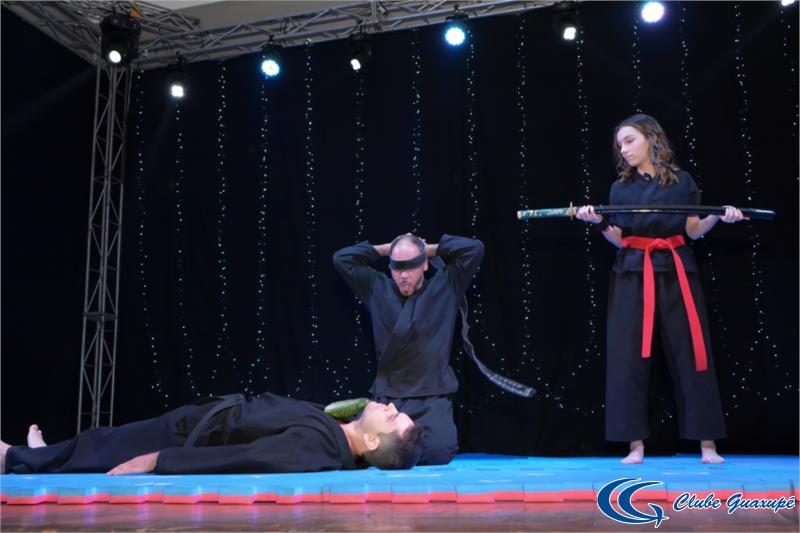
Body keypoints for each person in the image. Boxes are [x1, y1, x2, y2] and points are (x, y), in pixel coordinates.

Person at [576, 113, 745, 464]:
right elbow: (620, 238)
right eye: (620, 145)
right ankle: (634, 445)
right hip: (632, 271)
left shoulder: (682, 182)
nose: (624, 150)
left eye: (630, 141)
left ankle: (707, 444)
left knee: (692, 350)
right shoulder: (620, 189)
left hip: (676, 268)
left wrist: (718, 216)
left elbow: (693, 230)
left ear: (651, 138)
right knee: (627, 355)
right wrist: (599, 222)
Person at [333, 233, 484, 465]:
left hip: (431, 396)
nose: (403, 275)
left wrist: (428, 249)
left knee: (438, 452)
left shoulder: (446, 286)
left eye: (411, 266)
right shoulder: (376, 287)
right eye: (397, 267)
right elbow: (342, 258)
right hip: (388, 399)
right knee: (366, 452)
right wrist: (387, 247)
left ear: (424, 265)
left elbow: (474, 249)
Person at [0, 393, 422, 475]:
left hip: (193, 436)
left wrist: (160, 460)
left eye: (391, 418)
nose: (389, 406)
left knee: (103, 445)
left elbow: (246, 459)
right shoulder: (334, 432)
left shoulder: (320, 447)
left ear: (372, 443)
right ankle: (44, 456)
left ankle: (14, 457)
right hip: (205, 420)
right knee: (106, 441)